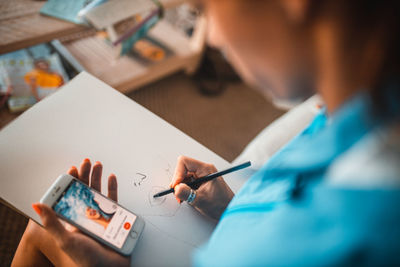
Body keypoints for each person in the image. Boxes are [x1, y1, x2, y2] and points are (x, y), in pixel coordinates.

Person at [12, 0, 400, 266]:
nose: (211, 37)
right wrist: (230, 208)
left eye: (206, 8)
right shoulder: (357, 108)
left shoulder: (307, 244)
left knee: (39, 231)